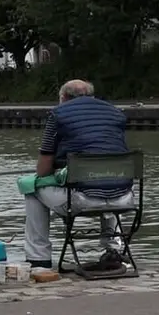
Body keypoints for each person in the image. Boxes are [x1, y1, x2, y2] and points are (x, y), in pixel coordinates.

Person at [25, 79, 134, 271]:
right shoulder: (115, 113)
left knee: (32, 188)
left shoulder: (58, 115)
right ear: (91, 96)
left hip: (84, 200)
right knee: (107, 182)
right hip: (125, 199)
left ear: (63, 98)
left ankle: (38, 258)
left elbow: (43, 170)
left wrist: (57, 169)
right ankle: (112, 249)